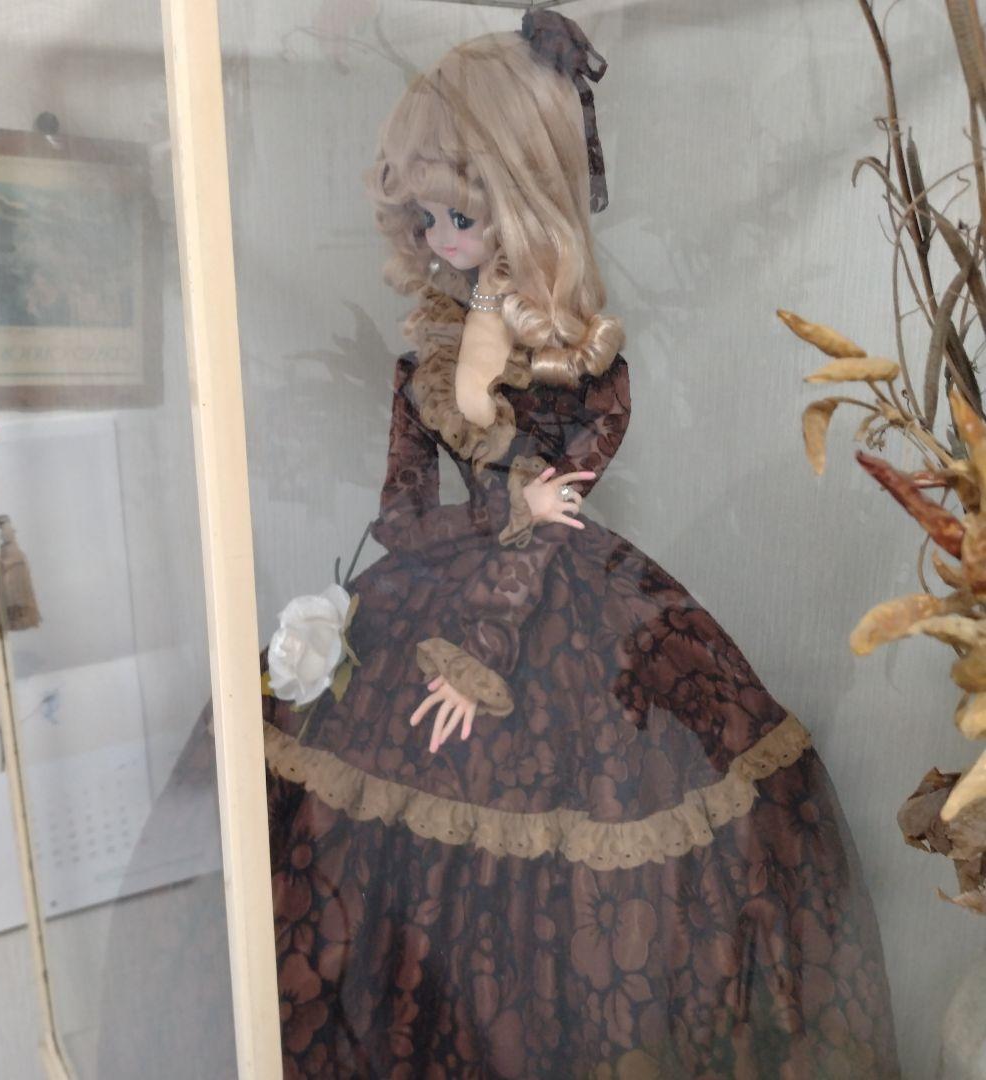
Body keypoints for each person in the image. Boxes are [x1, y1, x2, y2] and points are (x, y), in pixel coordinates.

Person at [260, 12, 900, 1078]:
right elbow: (402, 517)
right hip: (435, 595)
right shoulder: (425, 360)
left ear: (525, 205)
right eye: (425, 217)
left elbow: (548, 526)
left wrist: (485, 631)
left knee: (581, 892)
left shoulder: (586, 373)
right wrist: (497, 514)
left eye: (462, 215)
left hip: (557, 615)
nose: (441, 240)